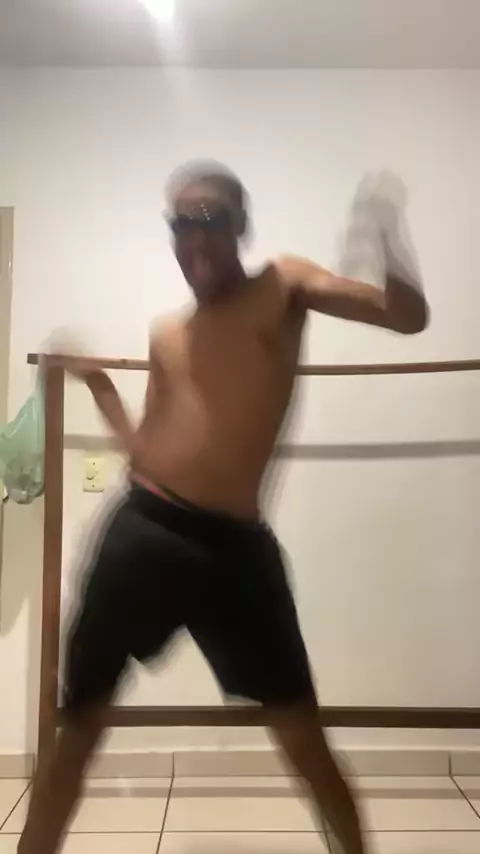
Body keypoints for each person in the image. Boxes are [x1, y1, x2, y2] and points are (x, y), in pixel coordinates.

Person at [18, 163, 429, 854]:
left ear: (241, 225)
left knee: (305, 740)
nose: (195, 235)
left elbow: (407, 317)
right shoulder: (166, 333)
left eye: (209, 218)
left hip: (236, 552)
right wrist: (100, 388)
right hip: (143, 535)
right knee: (78, 731)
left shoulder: (284, 285)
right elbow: (146, 449)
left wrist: (386, 236)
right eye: (180, 222)